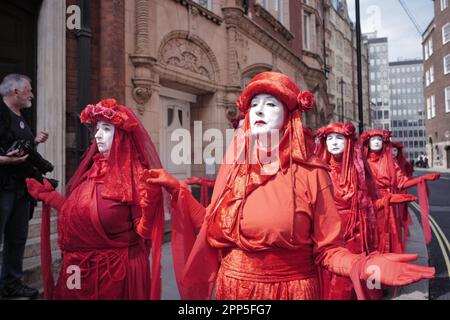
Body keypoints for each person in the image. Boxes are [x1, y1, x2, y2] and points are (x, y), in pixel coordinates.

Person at [140, 72, 435, 300]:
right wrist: (176, 189)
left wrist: (363, 266)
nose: (259, 110)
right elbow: (212, 226)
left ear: (289, 117)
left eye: (271, 104)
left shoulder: (311, 174)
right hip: (232, 292)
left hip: (288, 292)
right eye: (254, 104)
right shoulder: (234, 169)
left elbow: (328, 249)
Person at [25, 99, 166, 300]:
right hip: (79, 272)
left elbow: (143, 233)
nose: (98, 135)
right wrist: (49, 196)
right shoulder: (92, 170)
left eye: (107, 129)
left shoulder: (136, 176)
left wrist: (149, 204)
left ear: (122, 135)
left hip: (115, 275)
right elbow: (79, 213)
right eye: (97, 128)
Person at [315, 123, 417, 299]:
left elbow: (369, 204)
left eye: (339, 138)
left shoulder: (359, 171)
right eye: (329, 138)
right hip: (331, 234)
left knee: (358, 277)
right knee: (335, 280)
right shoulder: (319, 170)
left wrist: (387, 200)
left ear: (348, 142)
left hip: (357, 234)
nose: (334, 142)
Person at [0, 74, 48, 299]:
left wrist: (34, 140)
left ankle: (11, 283)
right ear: (14, 92)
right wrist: (5, 160)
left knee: (17, 237)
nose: (32, 94)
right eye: (28, 89)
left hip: (21, 187)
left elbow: (21, 148)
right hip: (3, 186)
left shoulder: (21, 116)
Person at [360, 130, 440, 253]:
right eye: (373, 139)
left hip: (390, 207)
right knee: (373, 241)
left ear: (384, 142)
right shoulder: (362, 163)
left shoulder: (390, 162)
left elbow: (402, 182)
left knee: (390, 240)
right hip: (371, 208)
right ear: (367, 142)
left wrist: (421, 179)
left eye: (379, 139)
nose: (376, 142)